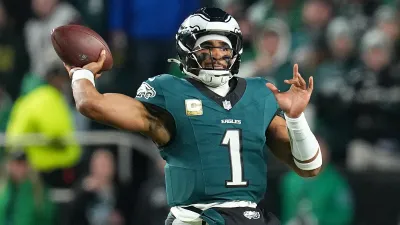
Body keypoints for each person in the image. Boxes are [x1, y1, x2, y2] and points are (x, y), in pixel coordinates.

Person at [64, 7, 322, 225]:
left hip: (248, 217)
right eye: (207, 46)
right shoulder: (170, 93)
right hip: (196, 218)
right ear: (187, 49)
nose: (218, 54)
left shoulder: (258, 94)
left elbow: (310, 167)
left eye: (224, 46)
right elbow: (91, 104)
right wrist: (81, 72)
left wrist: (296, 118)